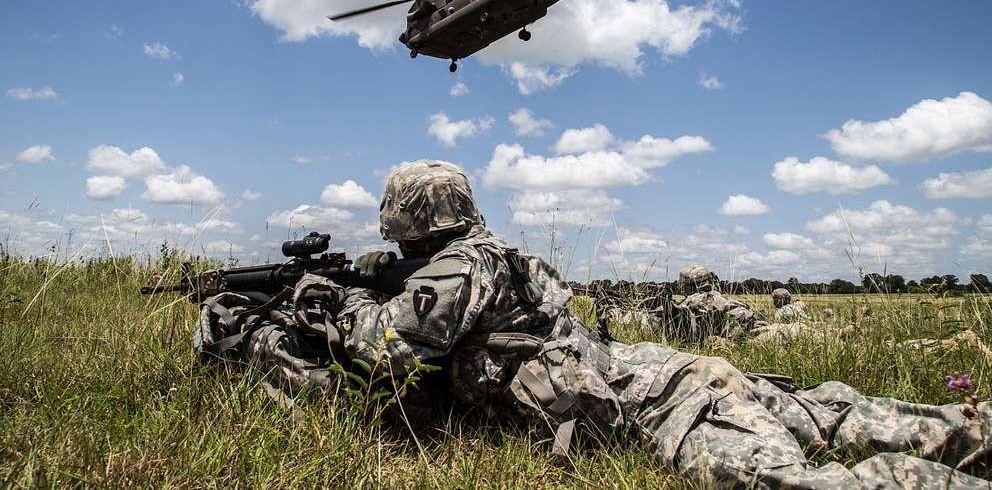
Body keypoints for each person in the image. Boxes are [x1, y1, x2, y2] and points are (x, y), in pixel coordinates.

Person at [195, 160, 990, 489]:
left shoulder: (459, 269)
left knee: (792, 480)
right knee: (840, 413)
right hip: (664, 371)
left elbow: (388, 348)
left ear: (408, 218)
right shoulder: (491, 255)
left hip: (660, 403)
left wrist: (329, 301)